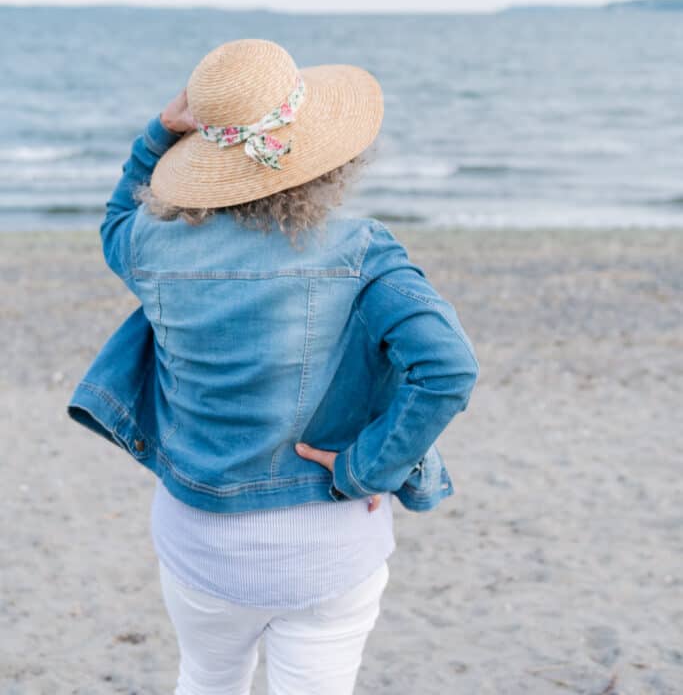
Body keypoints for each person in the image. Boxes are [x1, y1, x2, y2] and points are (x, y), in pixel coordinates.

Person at [72, 38, 480, 695]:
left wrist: (155, 136)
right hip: (327, 540)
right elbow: (447, 369)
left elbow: (118, 219)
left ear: (202, 153)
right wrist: (367, 465)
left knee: (206, 679)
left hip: (199, 537)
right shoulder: (362, 251)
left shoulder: (151, 246)